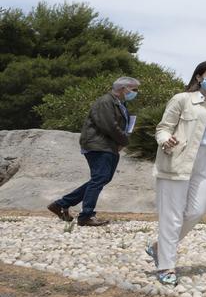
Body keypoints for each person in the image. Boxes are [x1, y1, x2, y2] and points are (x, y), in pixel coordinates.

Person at [148, 61, 206, 286]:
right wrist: (164, 140)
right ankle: (166, 265)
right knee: (172, 215)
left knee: (197, 210)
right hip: (178, 157)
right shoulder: (182, 99)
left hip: (205, 159)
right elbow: (163, 128)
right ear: (199, 77)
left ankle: (159, 247)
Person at [47, 77, 139, 226]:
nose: (135, 93)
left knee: (102, 178)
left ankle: (61, 204)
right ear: (123, 88)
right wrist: (124, 141)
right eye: (134, 89)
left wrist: (121, 141)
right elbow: (109, 125)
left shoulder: (120, 104)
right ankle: (86, 216)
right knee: (100, 178)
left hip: (109, 146)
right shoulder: (105, 102)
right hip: (98, 145)